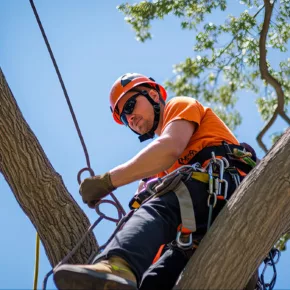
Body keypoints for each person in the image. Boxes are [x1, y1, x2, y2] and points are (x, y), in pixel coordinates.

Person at [53, 73, 257, 290]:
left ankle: (118, 265)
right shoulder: (156, 175)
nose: (129, 117)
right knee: (152, 280)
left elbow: (170, 147)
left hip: (224, 192)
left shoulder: (179, 106)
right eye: (124, 118)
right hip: (194, 233)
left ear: (152, 94)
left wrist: (107, 181)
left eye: (130, 105)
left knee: (158, 208)